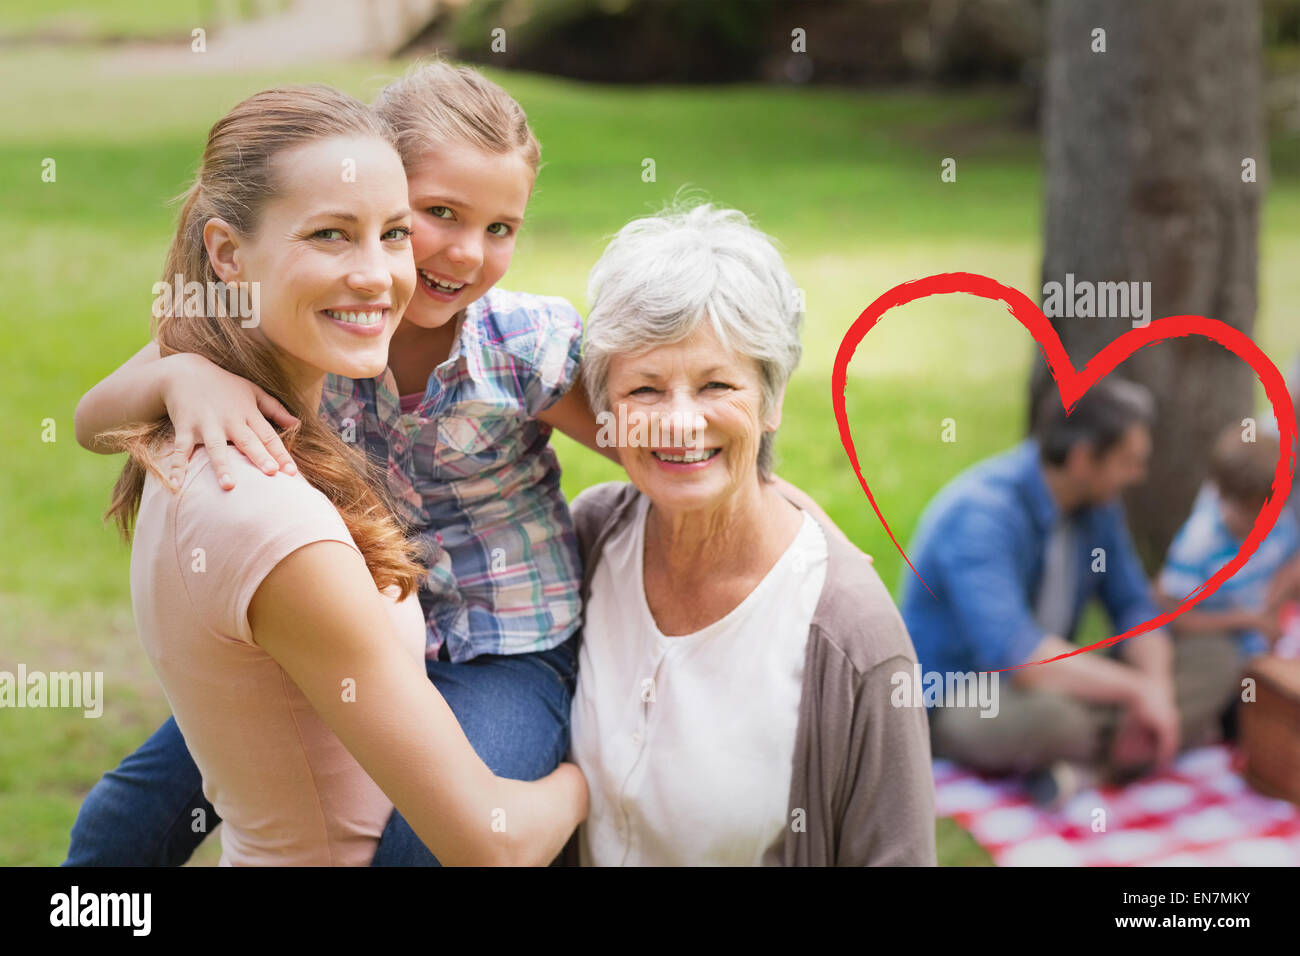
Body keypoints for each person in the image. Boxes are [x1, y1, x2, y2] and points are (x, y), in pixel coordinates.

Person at [66, 59, 595, 867]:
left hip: (502, 639)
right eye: (437, 215)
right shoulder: (294, 335)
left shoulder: (513, 345)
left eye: (500, 229)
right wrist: (179, 374)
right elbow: (90, 421)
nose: (460, 254)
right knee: (125, 821)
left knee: (422, 844)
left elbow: (658, 436)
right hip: (354, 629)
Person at [564, 203, 936, 865]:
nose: (680, 422)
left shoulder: (850, 634)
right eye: (645, 389)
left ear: (771, 400)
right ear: (606, 408)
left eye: (716, 384)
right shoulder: (592, 539)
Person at [900, 379, 1240, 803]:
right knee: (1054, 721)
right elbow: (1021, 658)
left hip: (1054, 673)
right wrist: (1138, 692)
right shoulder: (981, 514)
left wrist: (1154, 685)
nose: (1138, 476)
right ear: (1082, 459)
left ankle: (1082, 768)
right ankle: (1128, 747)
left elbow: (1135, 606)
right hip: (968, 690)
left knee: (1215, 656)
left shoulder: (1098, 507)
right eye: (1127, 462)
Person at [1157, 425, 1300, 660]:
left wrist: (1273, 601)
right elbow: (1176, 616)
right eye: (1254, 516)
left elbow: (1291, 562)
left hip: (1270, 627)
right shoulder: (1198, 543)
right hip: (1222, 640)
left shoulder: (1279, 517)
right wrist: (1245, 620)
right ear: (1225, 496)